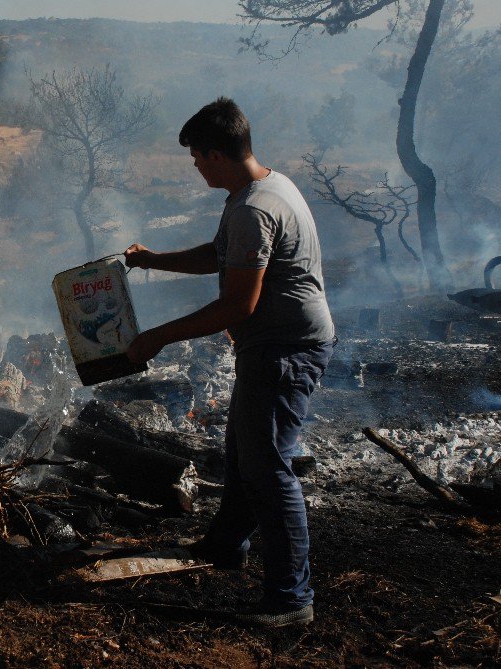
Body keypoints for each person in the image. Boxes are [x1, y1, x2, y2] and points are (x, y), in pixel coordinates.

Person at [124, 98, 335, 628]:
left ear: (216, 154)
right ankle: (225, 545)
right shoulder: (264, 188)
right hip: (275, 345)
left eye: (197, 158)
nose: (195, 168)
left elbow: (237, 304)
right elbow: (219, 257)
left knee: (269, 469)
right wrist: (154, 261)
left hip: (284, 350)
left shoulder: (252, 208)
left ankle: (292, 600)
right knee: (244, 451)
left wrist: (157, 337)